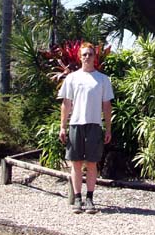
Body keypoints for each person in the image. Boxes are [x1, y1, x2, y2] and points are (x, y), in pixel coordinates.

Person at [58, 42, 114, 214]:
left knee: (91, 164)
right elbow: (66, 104)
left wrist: (108, 128)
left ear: (94, 56)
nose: (87, 57)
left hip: (95, 125)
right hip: (75, 124)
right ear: (80, 57)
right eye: (84, 54)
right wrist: (62, 127)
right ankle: (77, 198)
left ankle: (89, 198)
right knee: (75, 163)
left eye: (90, 54)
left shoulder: (103, 79)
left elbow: (107, 106)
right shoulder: (72, 78)